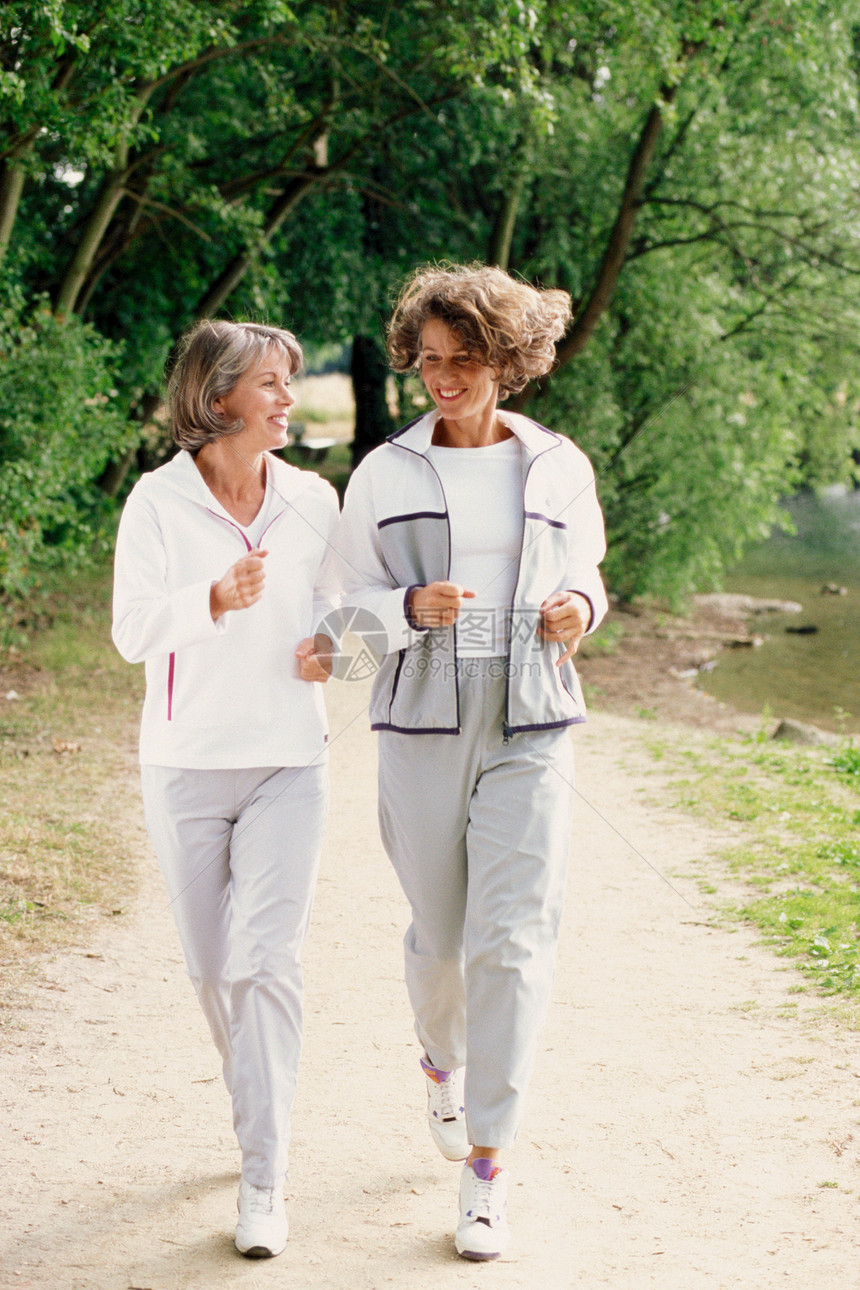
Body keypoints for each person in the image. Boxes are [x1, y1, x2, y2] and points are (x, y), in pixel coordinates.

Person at [331, 263, 608, 1260]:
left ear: (510, 361)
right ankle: (439, 1066)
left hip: (530, 714)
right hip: (419, 721)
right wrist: (405, 611)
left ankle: (486, 1168)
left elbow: (586, 579)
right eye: (429, 361)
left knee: (512, 943)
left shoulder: (557, 467)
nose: (442, 378)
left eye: (464, 360)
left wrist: (579, 610)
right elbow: (335, 634)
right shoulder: (382, 475)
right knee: (443, 942)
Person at [112, 319, 338, 1259]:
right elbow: (131, 634)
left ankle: (264, 1177)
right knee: (214, 971)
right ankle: (256, 1091)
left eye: (289, 382)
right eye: (272, 384)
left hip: (291, 758)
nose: (289, 397)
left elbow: (350, 615)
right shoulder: (157, 503)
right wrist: (210, 600)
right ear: (217, 399)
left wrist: (344, 652)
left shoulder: (317, 499)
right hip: (187, 764)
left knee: (265, 964)